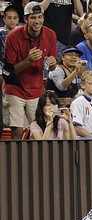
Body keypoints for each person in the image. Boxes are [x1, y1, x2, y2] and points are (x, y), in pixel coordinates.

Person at [4, 1, 57, 139]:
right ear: (26, 19)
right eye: (33, 17)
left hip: (36, 89)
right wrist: (28, 60)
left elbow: (51, 66)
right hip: (15, 88)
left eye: (40, 17)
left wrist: (52, 64)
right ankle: (15, 159)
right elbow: (8, 71)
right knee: (17, 129)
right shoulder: (13, 37)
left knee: (38, 128)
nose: (37, 21)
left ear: (44, 18)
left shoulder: (50, 35)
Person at [70, 70, 92, 139]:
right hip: (81, 139)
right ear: (83, 85)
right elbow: (77, 128)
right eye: (90, 83)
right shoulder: (78, 103)